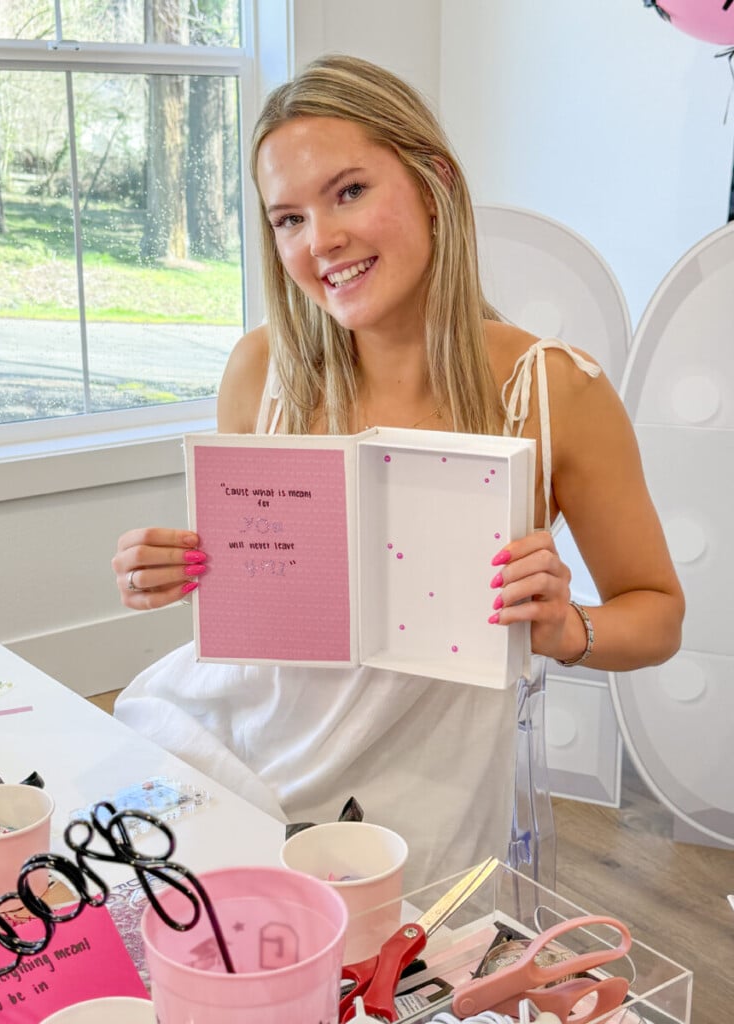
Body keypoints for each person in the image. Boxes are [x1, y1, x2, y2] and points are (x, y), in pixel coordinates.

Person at [111, 54, 684, 887]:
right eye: (287, 219)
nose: (321, 242)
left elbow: (659, 615)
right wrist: (171, 570)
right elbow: (250, 597)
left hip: (419, 807)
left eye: (348, 192)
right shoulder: (260, 371)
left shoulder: (553, 389)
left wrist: (567, 630)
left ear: (434, 182)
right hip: (220, 748)